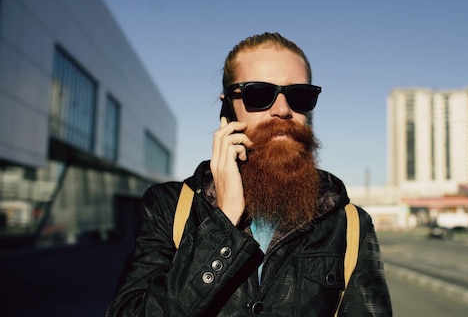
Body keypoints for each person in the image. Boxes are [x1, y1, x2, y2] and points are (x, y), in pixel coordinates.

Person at [106, 32, 392, 316]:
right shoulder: (168, 207)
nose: (282, 110)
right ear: (228, 107)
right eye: (260, 94)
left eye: (299, 96)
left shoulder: (350, 225)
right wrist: (224, 221)